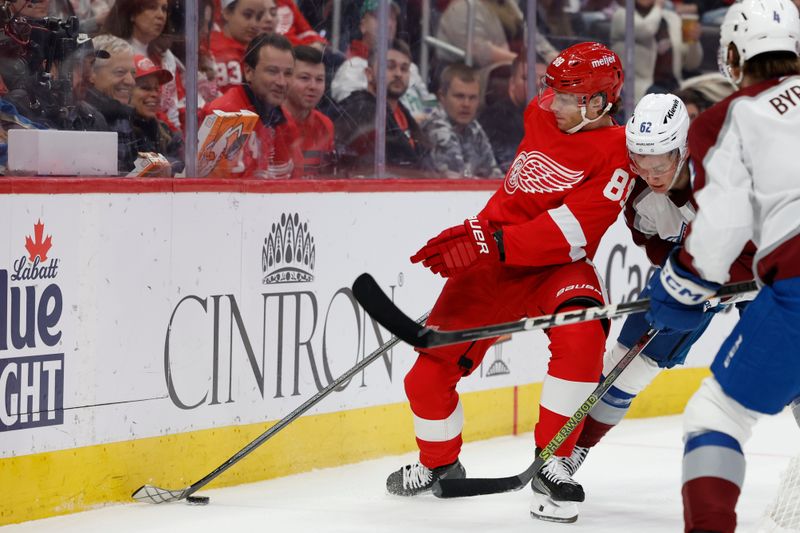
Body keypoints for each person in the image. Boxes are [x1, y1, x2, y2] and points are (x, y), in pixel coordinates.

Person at [386, 42, 630, 525]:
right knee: (426, 376)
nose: (552, 104)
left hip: (557, 268)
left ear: (599, 103)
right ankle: (438, 465)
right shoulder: (540, 115)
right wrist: (483, 238)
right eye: (553, 91)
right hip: (492, 260)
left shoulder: (617, 151)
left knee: (583, 339)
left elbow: (573, 231)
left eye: (567, 96)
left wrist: (488, 243)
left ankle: (554, 459)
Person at [644, 0, 800, 531]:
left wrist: (678, 288)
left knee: (716, 416)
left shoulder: (731, 115)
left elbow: (718, 238)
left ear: (732, 54)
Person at [560, 93, 755, 480]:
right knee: (630, 361)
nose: (650, 172)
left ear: (682, 149)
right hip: (694, 272)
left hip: (765, 274)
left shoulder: (725, 178)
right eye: (640, 160)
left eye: (660, 160)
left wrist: (710, 274)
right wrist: (680, 269)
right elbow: (652, 241)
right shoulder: (640, 197)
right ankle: (573, 450)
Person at [202, 32, 300, 179]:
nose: (282, 82)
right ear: (248, 72)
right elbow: (210, 193)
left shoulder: (285, 120)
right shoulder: (225, 115)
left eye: (288, 73)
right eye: (272, 71)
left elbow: (298, 185)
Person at [334, 39, 429, 177]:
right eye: (390, 66)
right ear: (369, 73)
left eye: (404, 68)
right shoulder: (361, 111)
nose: (398, 74)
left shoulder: (402, 112)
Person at [331, 0, 436, 123]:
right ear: (362, 25)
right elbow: (358, 116)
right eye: (379, 16)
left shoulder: (410, 67)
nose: (388, 23)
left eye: (392, 18)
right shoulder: (351, 67)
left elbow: (431, 107)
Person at [102, 0, 183, 130]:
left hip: (160, 134)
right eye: (152, 7)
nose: (161, 15)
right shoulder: (114, 52)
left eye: (164, 9)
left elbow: (172, 112)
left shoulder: (166, 56)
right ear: (132, 13)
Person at [610, 0, 703, 102]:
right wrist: (658, 7)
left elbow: (691, 64)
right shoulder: (622, 15)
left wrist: (694, 41)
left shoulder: (672, 18)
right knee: (670, 102)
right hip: (639, 86)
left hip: (674, 84)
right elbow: (646, 30)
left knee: (702, 97)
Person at [421, 63, 502, 178]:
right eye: (459, 96)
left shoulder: (473, 126)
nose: (466, 104)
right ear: (442, 96)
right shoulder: (436, 128)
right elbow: (459, 183)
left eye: (472, 98)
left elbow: (494, 174)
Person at [277, 45, 335, 177]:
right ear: (286, 79)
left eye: (319, 79)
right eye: (304, 78)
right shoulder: (271, 122)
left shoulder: (326, 125)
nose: (313, 86)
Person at [85, 34, 139, 173]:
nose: (130, 81)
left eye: (133, 73)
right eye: (120, 72)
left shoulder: (123, 114)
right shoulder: (82, 118)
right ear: (91, 73)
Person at [130, 55, 183, 173]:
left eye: (157, 89)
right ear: (126, 89)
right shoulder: (121, 130)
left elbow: (185, 163)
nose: (155, 94)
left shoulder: (164, 130)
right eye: (145, 88)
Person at [210, 0, 271, 95]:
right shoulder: (208, 48)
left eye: (259, 17)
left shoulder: (261, 52)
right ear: (227, 13)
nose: (254, 24)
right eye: (247, 15)